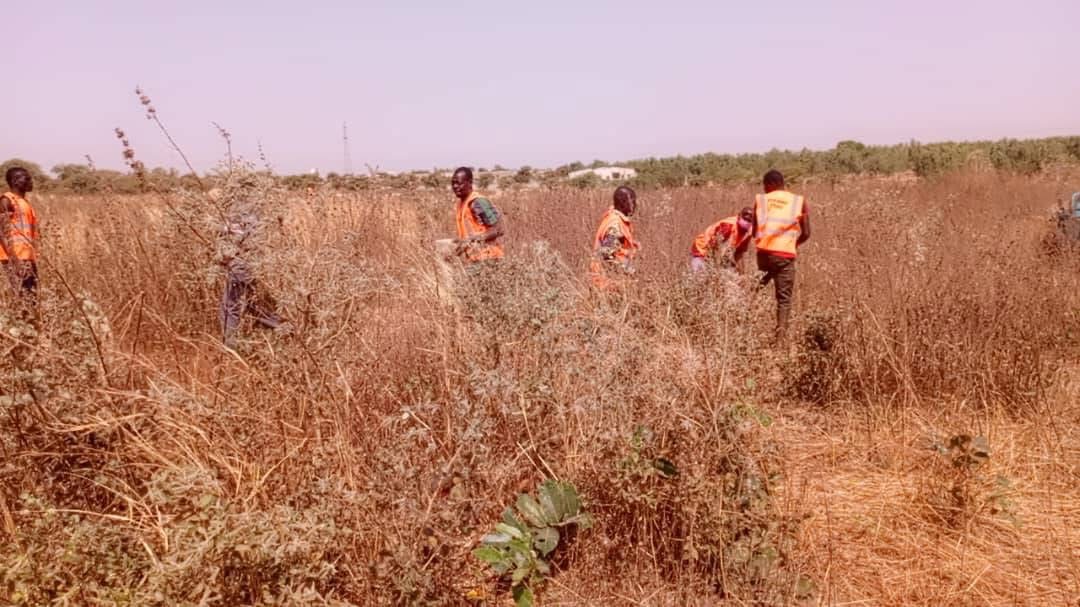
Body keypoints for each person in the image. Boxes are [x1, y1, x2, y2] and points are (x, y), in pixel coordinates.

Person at [217, 186, 285, 349]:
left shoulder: (238, 214)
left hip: (240, 265)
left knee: (229, 307)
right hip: (254, 264)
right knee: (254, 305)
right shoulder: (255, 212)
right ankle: (286, 330)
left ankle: (231, 348)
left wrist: (223, 256)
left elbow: (233, 240)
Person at [753, 170, 810, 341]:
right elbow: (806, 233)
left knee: (754, 290)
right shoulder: (799, 201)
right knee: (784, 300)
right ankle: (780, 341)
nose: (764, 190)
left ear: (770, 184)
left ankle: (745, 327)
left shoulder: (760, 200)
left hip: (763, 254)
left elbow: (754, 231)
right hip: (785, 256)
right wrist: (793, 244)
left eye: (765, 186)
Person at [0, 167, 41, 310]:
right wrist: (15, 261)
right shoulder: (7, 201)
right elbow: (1, 232)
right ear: (15, 181)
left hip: (27, 257)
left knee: (32, 299)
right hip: (16, 258)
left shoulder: (23, 202)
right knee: (23, 299)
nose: (31, 181)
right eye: (27, 178)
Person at [590, 186, 640, 289]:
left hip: (609, 282)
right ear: (623, 202)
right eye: (633, 201)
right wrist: (630, 270)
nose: (635, 205)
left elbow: (615, 245)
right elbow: (606, 254)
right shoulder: (615, 224)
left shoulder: (613, 218)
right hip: (607, 283)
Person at [451, 167, 505, 263]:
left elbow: (498, 229)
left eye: (459, 183)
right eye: (453, 183)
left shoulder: (478, 202)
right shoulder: (461, 204)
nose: (455, 186)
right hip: (475, 259)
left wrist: (474, 239)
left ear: (470, 183)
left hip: (489, 258)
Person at [689, 206, 754, 273]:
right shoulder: (728, 225)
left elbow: (739, 253)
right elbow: (720, 246)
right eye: (745, 219)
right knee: (699, 274)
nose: (746, 222)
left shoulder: (748, 232)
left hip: (714, 252)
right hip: (702, 247)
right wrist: (719, 266)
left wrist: (742, 272)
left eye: (749, 220)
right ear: (739, 216)